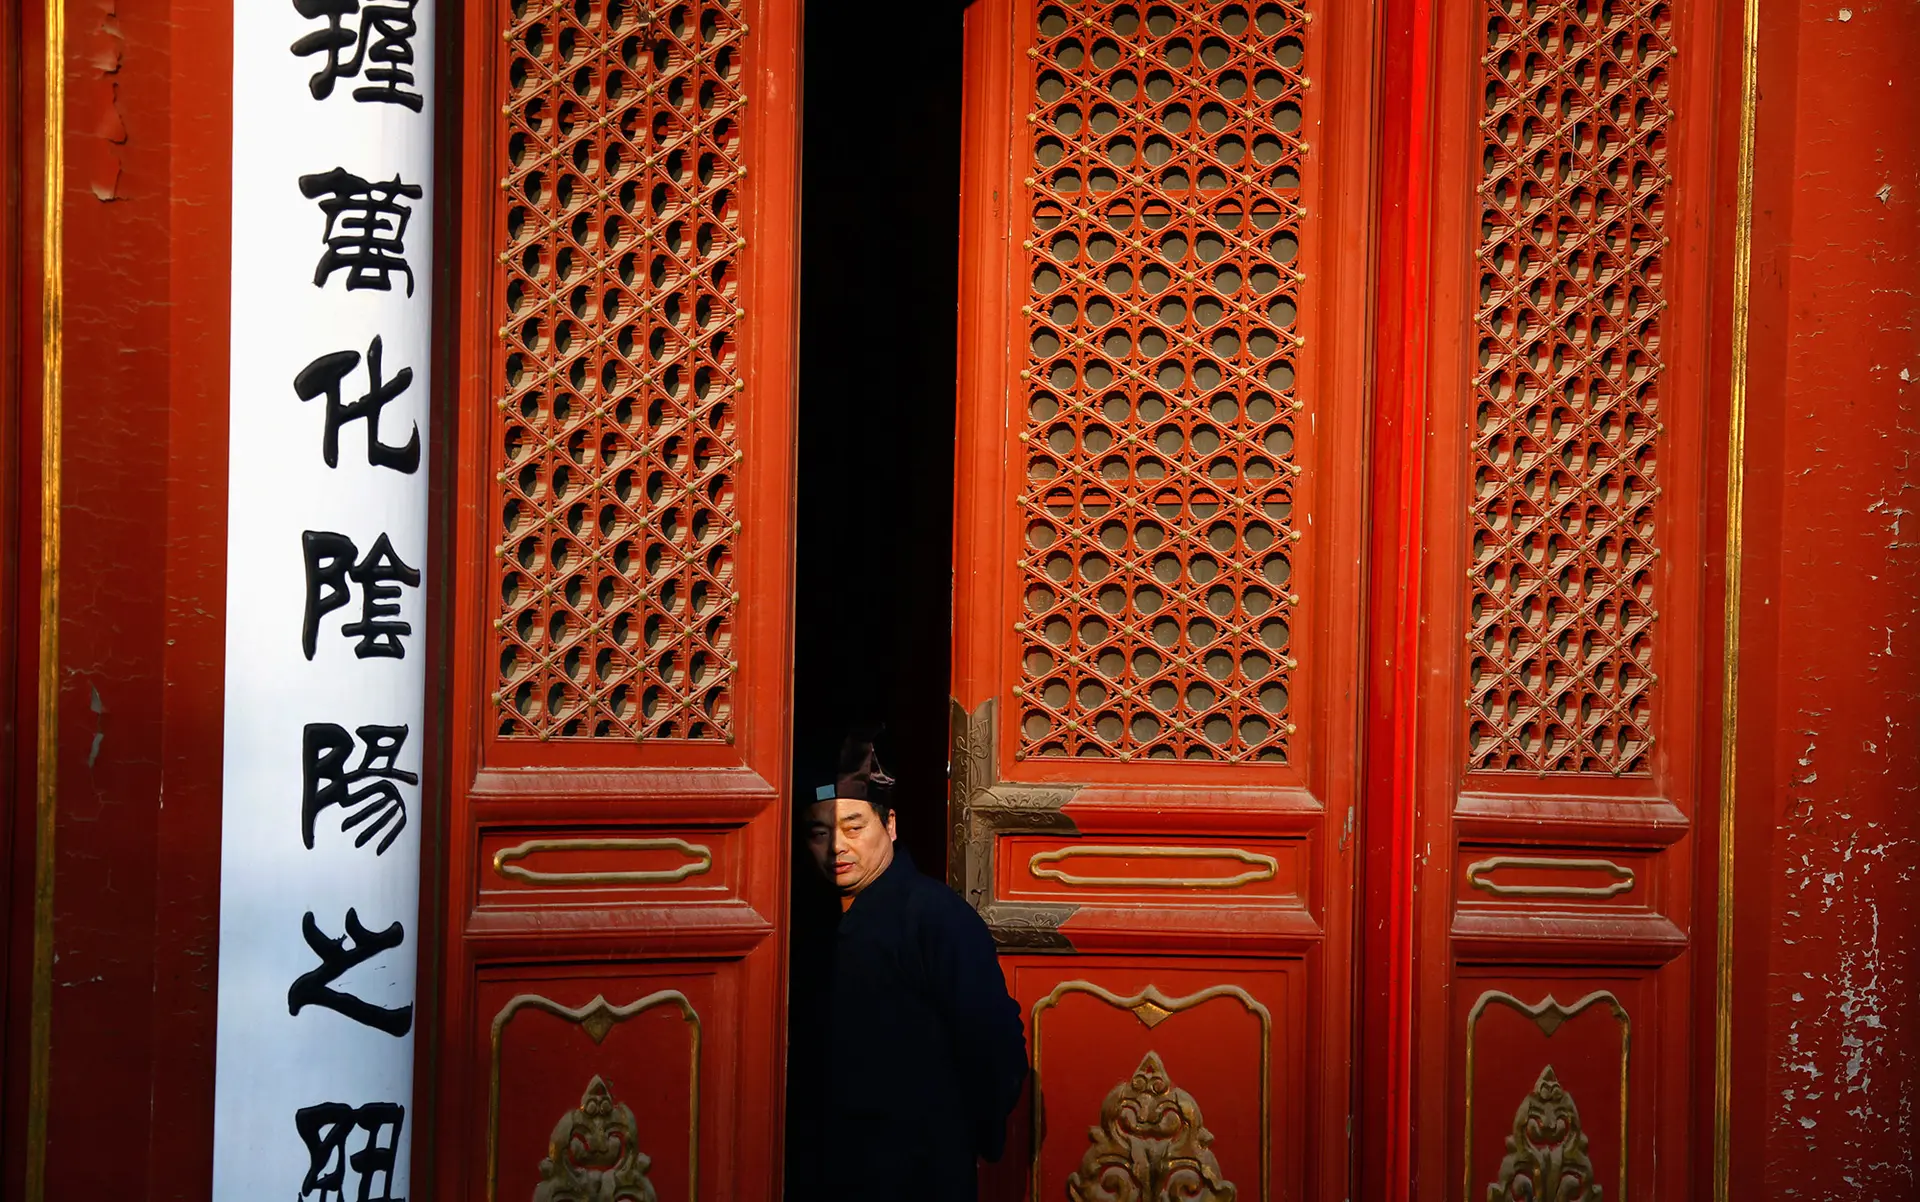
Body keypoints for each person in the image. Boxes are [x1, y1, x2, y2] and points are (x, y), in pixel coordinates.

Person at [784, 727, 1029, 1202]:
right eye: (819, 832)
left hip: (918, 1171)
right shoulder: (803, 923)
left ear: (890, 825)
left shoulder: (937, 918)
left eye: (854, 827)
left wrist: (954, 1139)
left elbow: (994, 1048)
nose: (837, 847)